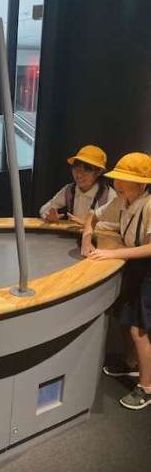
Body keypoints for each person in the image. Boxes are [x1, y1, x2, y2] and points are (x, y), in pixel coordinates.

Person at [81, 152, 151, 410]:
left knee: (139, 330)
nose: (118, 183)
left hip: (147, 270)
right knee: (124, 318)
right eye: (118, 178)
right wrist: (87, 238)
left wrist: (113, 253)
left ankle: (147, 387)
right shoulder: (122, 200)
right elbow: (93, 216)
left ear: (141, 184)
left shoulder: (148, 205)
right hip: (134, 266)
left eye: (125, 179)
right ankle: (130, 363)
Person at [39, 145, 117, 226]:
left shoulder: (108, 195)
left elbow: (117, 225)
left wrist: (89, 224)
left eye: (87, 169)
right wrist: (48, 216)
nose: (79, 175)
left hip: (95, 234)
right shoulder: (69, 190)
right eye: (76, 168)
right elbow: (44, 209)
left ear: (99, 172)